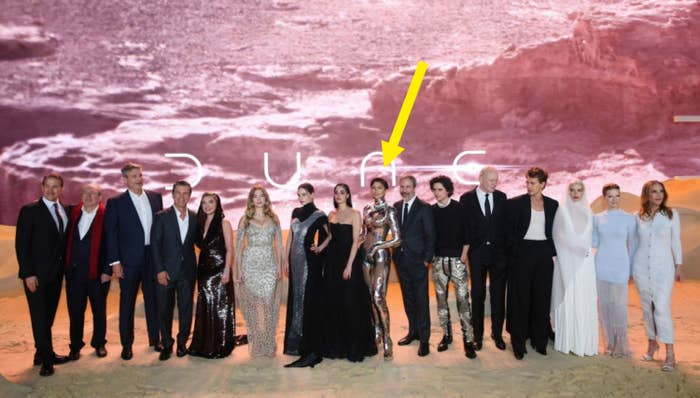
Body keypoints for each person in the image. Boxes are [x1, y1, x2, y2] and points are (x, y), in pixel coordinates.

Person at [104, 163, 163, 360]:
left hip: (152, 258)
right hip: (128, 261)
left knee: (153, 301)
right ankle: (126, 345)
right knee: (127, 303)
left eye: (140, 175)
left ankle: (155, 340)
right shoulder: (116, 202)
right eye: (133, 176)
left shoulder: (155, 198)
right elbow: (111, 235)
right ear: (125, 180)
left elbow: (160, 231)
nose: (138, 178)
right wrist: (115, 262)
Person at [15, 173, 70, 376]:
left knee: (48, 317)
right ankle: (47, 361)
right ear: (42, 187)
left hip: (55, 275)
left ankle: (41, 353)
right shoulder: (29, 211)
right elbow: (22, 245)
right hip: (35, 276)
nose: (51, 190)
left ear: (61, 189)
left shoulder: (63, 210)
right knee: (39, 318)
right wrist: (28, 274)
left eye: (55, 186)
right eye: (47, 186)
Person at [321, 183, 378, 362]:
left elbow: (355, 241)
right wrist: (319, 247)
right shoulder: (331, 214)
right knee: (334, 302)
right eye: (336, 193)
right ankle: (338, 346)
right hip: (332, 262)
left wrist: (348, 266)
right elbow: (330, 237)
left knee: (351, 303)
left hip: (348, 261)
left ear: (348, 195)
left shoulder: (355, 214)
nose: (338, 195)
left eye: (342, 192)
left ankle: (354, 347)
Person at [506, 167, 558, 360]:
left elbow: (556, 231)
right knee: (520, 299)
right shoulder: (516, 204)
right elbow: (508, 234)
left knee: (541, 299)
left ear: (542, 184)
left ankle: (540, 340)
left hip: (544, 256)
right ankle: (518, 343)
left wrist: (551, 251)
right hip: (522, 255)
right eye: (527, 182)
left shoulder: (553, 205)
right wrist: (515, 253)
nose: (528, 186)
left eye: (532, 183)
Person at [633, 180, 682, 372]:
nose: (659, 195)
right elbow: (633, 243)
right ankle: (652, 344)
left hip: (664, 268)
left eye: (661, 191)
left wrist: (679, 264)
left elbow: (676, 241)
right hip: (641, 267)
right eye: (654, 192)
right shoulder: (637, 217)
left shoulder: (671, 215)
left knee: (661, 307)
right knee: (647, 308)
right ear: (647, 194)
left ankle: (670, 352)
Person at [459, 166, 508, 352]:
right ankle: (477, 337)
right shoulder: (466, 199)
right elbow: (465, 227)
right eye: (491, 180)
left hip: (499, 255)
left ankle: (497, 334)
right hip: (477, 254)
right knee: (477, 296)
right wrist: (465, 251)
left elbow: (505, 226)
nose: (494, 183)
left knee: (498, 296)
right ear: (481, 178)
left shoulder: (502, 197)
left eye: (496, 180)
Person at [283, 183, 330, 367]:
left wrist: (320, 247)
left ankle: (307, 343)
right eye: (299, 194)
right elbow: (290, 238)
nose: (301, 197)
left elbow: (330, 236)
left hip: (310, 263)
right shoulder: (295, 212)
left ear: (312, 194)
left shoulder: (320, 215)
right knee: (296, 298)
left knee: (306, 299)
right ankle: (296, 341)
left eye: (304, 194)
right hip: (294, 262)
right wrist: (286, 260)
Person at [150, 181, 198, 360]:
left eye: (186, 193)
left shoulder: (194, 217)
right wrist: (160, 270)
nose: (182, 196)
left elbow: (198, 242)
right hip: (166, 273)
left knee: (186, 309)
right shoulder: (161, 216)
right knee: (164, 310)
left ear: (189, 196)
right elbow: (154, 245)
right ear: (172, 194)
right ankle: (167, 344)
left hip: (187, 272)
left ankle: (182, 343)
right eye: (178, 192)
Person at [234, 185, 284, 358]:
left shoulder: (274, 219)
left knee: (269, 305)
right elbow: (239, 247)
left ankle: (269, 343)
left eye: (262, 196)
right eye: (255, 196)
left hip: (269, 264)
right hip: (250, 264)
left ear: (266, 198)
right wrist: (238, 269)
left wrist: (279, 266)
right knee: (254, 307)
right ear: (251, 199)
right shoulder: (244, 220)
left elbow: (278, 245)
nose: (259, 199)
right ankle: (257, 344)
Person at [430, 175, 476, 358]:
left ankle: (468, 340)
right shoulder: (431, 211)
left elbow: (468, 233)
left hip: (457, 260)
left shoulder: (459, 208)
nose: (436, 193)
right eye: (434, 189)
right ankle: (446, 335)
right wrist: (433, 257)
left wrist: (463, 256)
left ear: (448, 190)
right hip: (439, 261)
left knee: (463, 300)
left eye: (440, 189)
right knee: (441, 300)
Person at [550, 180, 598, 356]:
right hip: (567, 263)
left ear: (584, 192)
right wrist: (568, 256)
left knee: (583, 300)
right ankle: (568, 341)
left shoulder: (589, 212)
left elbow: (590, 239)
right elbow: (557, 237)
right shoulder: (562, 210)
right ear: (568, 191)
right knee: (568, 300)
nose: (576, 193)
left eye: (579, 190)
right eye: (572, 190)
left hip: (585, 265)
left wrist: (584, 252)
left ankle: (584, 343)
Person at [64, 183, 111, 361]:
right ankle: (75, 346)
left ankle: (99, 343)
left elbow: (111, 246)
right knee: (75, 312)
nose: (88, 196)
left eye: (93, 193)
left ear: (100, 197)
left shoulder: (106, 216)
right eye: (85, 193)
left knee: (99, 311)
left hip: (98, 274)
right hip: (74, 274)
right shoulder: (72, 213)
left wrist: (107, 270)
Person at [189, 192, 238, 358]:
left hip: (219, 270)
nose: (207, 205)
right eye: (204, 202)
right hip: (203, 270)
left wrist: (226, 271)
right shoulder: (199, 224)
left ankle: (219, 343)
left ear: (217, 204)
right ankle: (203, 343)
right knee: (205, 305)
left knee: (219, 307)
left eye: (210, 202)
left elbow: (230, 249)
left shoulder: (224, 223)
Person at [592, 183, 636, 358]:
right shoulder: (596, 218)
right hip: (601, 265)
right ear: (605, 198)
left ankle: (621, 344)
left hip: (621, 267)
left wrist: (631, 269)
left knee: (619, 308)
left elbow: (632, 246)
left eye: (617, 195)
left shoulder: (629, 219)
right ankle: (609, 343)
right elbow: (594, 242)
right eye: (610, 196)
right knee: (604, 307)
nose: (614, 199)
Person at [394, 175, 435, 357]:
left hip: (418, 261)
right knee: (408, 299)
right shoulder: (396, 207)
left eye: (408, 186)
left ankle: (424, 340)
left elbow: (431, 235)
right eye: (402, 187)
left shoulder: (424, 208)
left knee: (421, 300)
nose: (404, 190)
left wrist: (427, 259)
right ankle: (413, 332)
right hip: (401, 260)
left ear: (415, 187)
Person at [361, 177, 401, 359]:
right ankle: (376, 332)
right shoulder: (366, 209)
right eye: (373, 187)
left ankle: (387, 339)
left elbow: (398, 239)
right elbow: (363, 233)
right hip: (365, 257)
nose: (376, 190)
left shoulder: (390, 211)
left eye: (379, 187)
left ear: (385, 190)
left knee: (378, 297)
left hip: (381, 256)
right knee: (369, 297)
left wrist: (378, 246)